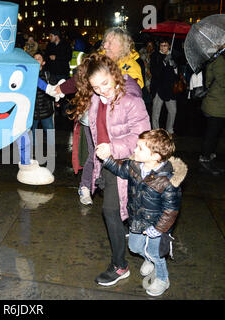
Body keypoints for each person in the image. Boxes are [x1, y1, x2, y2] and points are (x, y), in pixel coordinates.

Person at [68, 53, 150, 286]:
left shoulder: (131, 100)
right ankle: (147, 252)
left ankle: (120, 265)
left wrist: (113, 147)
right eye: (95, 87)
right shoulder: (96, 100)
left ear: (114, 75)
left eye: (105, 83)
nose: (102, 90)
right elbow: (96, 132)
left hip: (125, 165)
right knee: (128, 213)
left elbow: (143, 136)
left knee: (112, 212)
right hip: (106, 165)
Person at [49, 27, 144, 206]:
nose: (105, 44)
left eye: (110, 42)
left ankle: (116, 194)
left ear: (122, 45)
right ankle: (86, 187)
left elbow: (133, 94)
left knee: (117, 156)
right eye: (105, 40)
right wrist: (61, 89)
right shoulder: (98, 58)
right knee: (94, 154)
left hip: (119, 125)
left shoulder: (132, 66)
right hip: (93, 119)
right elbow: (81, 79)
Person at [96, 128, 187, 296]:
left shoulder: (167, 182)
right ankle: (149, 259)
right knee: (134, 246)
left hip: (157, 225)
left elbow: (171, 210)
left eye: (140, 148)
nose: (134, 150)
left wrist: (159, 229)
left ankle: (162, 278)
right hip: (137, 219)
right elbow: (121, 169)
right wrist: (107, 160)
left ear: (155, 156)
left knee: (155, 252)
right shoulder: (135, 166)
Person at [198, 51, 225, 175]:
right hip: (216, 104)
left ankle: (208, 158)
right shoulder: (219, 60)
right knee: (212, 134)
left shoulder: (215, 59)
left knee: (214, 134)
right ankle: (204, 160)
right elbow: (223, 82)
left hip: (217, 103)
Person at [150, 39, 178, 135]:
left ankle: (169, 129)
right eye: (161, 45)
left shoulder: (173, 56)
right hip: (159, 88)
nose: (163, 47)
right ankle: (155, 131)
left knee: (173, 111)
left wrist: (174, 66)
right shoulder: (155, 56)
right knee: (156, 112)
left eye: (165, 45)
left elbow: (177, 74)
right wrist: (164, 62)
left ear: (169, 46)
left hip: (170, 89)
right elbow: (155, 72)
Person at [31, 51, 56, 147]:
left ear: (43, 62)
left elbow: (54, 89)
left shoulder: (47, 75)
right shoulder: (28, 75)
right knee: (32, 131)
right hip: (33, 110)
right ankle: (33, 151)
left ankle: (51, 151)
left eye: (39, 58)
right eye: (34, 58)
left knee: (49, 130)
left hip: (46, 110)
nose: (36, 60)